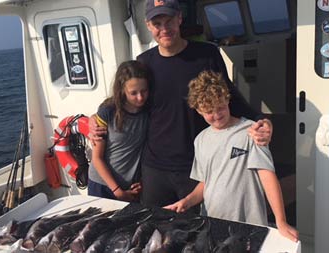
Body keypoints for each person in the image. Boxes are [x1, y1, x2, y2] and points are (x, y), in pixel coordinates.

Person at [89, 0, 273, 208]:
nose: (164, 29)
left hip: (194, 165)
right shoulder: (144, 62)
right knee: (153, 227)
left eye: (169, 21)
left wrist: (260, 119)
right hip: (154, 168)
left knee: (193, 230)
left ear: (179, 18)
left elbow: (229, 96)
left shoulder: (207, 54)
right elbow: (122, 99)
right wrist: (92, 120)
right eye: (157, 24)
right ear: (148, 25)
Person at [165, 71, 298, 242]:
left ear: (227, 99)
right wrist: (187, 201)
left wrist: (281, 221)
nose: (217, 114)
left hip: (250, 226)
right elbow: (206, 182)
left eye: (220, 107)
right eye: (209, 111)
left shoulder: (251, 131)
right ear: (198, 110)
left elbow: (267, 175)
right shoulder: (200, 140)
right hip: (212, 224)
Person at [88, 60, 150, 202]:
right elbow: (97, 159)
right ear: (122, 90)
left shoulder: (149, 110)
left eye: (144, 91)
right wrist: (117, 191)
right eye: (133, 93)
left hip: (129, 186)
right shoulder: (108, 112)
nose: (140, 97)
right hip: (102, 185)